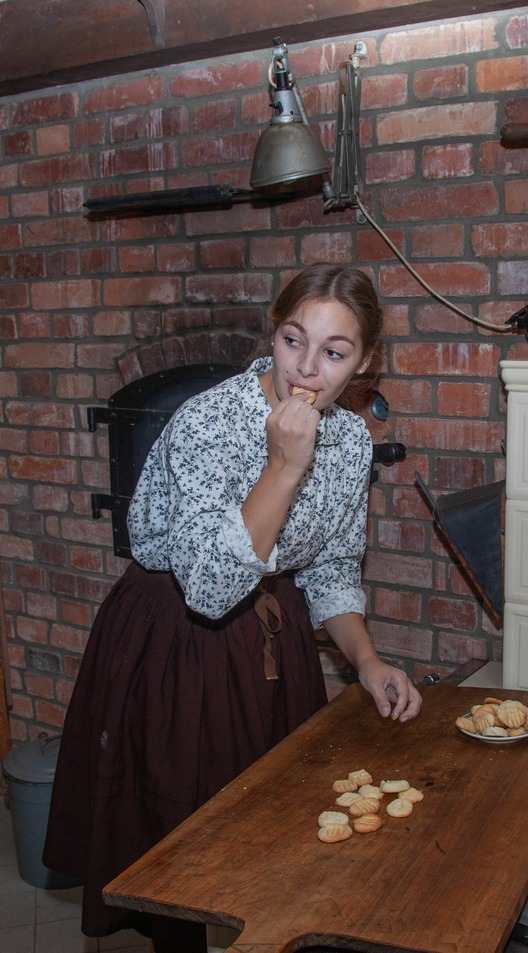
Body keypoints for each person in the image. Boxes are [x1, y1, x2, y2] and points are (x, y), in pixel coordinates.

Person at [43, 263, 422, 953]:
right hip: (176, 640)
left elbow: (332, 568)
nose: (306, 367)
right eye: (292, 339)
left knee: (275, 833)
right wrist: (282, 467)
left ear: (364, 362)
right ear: (272, 333)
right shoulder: (208, 421)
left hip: (270, 642)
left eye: (335, 352)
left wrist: (367, 660)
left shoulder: (351, 442)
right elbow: (211, 590)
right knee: (181, 842)